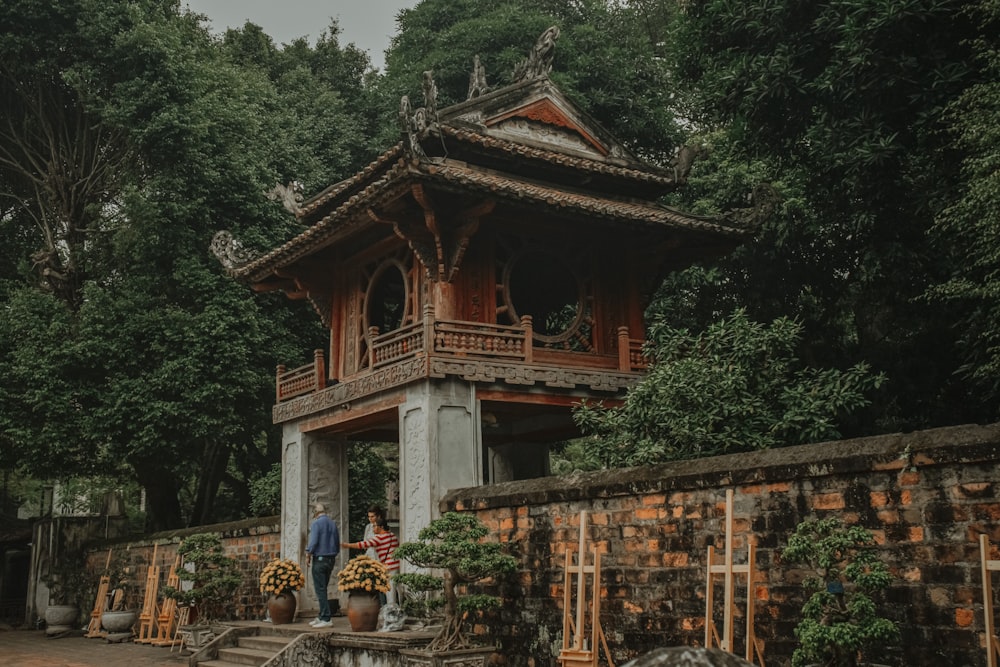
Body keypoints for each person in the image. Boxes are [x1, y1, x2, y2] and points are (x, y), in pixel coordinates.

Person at [344, 518, 400, 605]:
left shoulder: (379, 538)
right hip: (396, 565)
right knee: (394, 589)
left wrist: (347, 545)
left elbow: (362, 545)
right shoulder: (392, 535)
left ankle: (391, 610)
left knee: (390, 591)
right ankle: (394, 608)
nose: (373, 529)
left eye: (374, 526)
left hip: (388, 567)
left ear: (381, 527)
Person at [305, 502, 340, 628]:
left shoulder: (316, 523)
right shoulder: (332, 523)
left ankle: (326, 617)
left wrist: (308, 554)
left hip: (319, 558)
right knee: (323, 588)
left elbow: (313, 541)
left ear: (315, 513)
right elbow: (337, 542)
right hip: (331, 558)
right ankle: (321, 615)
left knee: (320, 589)